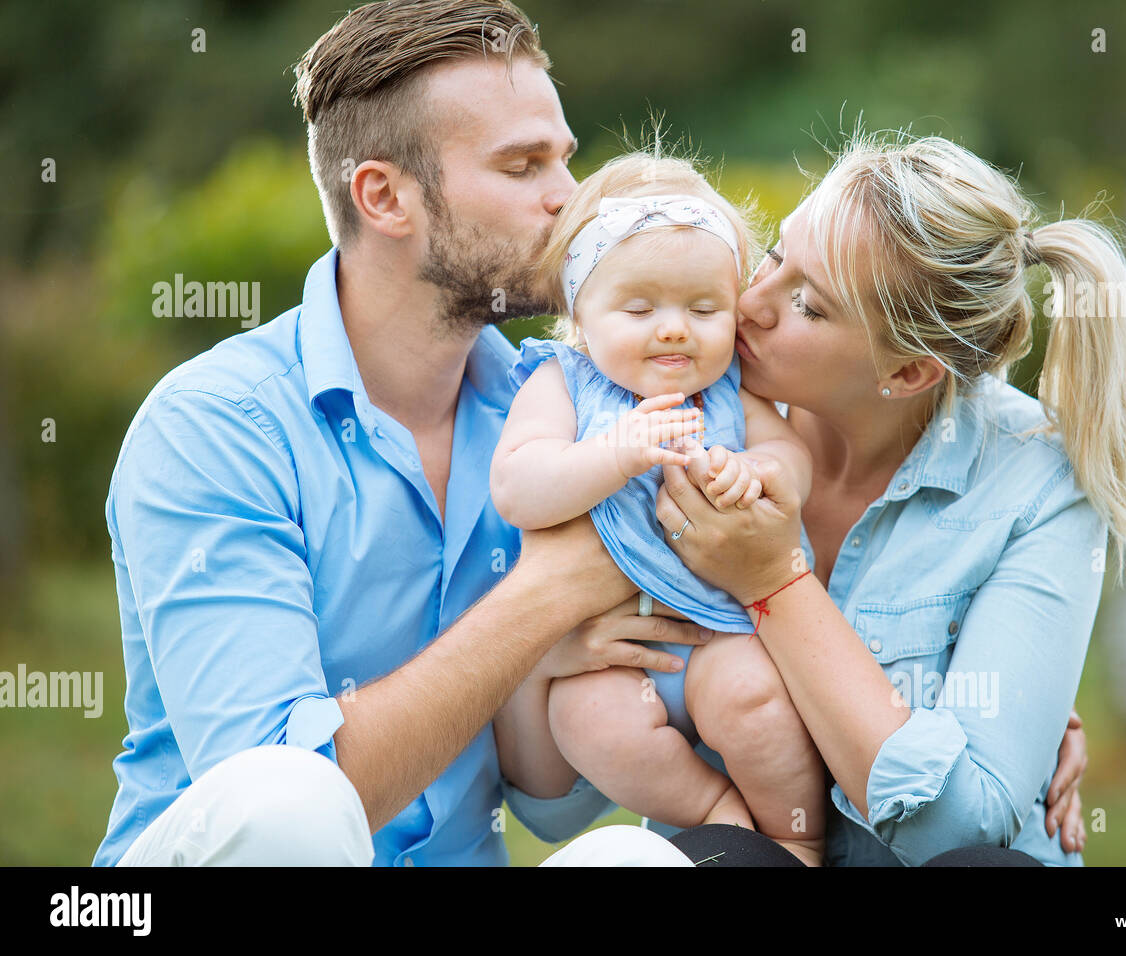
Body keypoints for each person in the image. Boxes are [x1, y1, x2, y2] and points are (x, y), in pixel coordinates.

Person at [93, 0, 702, 867]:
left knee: (635, 863)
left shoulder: (555, 410)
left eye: (563, 159)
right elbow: (290, 799)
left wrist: (546, 666)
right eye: (523, 165)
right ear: (384, 197)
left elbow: (552, 809)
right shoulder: (214, 427)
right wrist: (540, 602)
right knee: (289, 797)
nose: (569, 199)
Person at [648, 132, 1126, 865]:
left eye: (808, 304)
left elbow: (963, 828)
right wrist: (567, 650)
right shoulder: (675, 409)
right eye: (775, 256)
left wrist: (774, 585)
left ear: (906, 374)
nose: (750, 304)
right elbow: (553, 796)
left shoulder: (1036, 480)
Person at [491, 152, 825, 864]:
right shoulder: (562, 384)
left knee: (756, 703)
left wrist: (759, 471)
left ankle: (798, 839)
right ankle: (715, 811)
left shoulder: (735, 391)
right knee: (590, 723)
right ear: (582, 312)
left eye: (704, 310)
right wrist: (615, 454)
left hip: (719, 636)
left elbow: (796, 462)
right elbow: (519, 486)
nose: (674, 329)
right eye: (640, 309)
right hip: (609, 656)